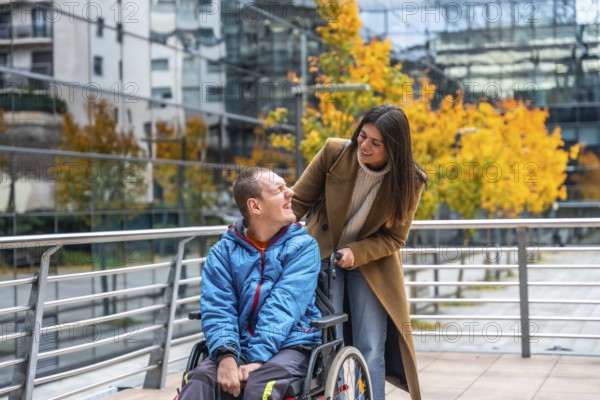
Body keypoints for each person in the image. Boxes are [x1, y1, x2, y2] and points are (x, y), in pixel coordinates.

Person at [292, 104, 427, 400]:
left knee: (370, 345)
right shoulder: (335, 152)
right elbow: (296, 202)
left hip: (370, 264)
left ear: (394, 148)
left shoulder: (410, 180)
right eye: (362, 136)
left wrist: (356, 251)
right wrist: (251, 228)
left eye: (375, 143)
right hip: (323, 257)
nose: (364, 146)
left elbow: (394, 238)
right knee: (331, 343)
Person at [179, 167, 322, 400]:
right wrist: (226, 358)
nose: (290, 193)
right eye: (279, 190)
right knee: (200, 380)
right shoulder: (222, 252)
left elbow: (284, 306)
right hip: (239, 343)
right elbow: (218, 307)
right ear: (255, 206)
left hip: (292, 344)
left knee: (261, 386)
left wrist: (257, 360)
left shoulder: (304, 248)